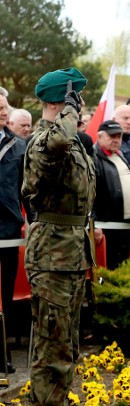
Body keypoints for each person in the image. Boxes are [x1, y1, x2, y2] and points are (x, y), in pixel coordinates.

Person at [23, 68, 99, 406]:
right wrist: (67, 113)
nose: (82, 109)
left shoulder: (69, 143)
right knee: (50, 352)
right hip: (52, 257)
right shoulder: (45, 140)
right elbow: (57, 139)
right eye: (76, 101)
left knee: (66, 348)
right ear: (62, 103)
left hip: (69, 255)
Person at [0, 93, 26, 373]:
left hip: (8, 231)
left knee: (4, 294)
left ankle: (2, 353)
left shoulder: (19, 146)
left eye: (4, 108)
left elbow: (26, 190)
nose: (2, 113)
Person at [92, 120, 130, 269]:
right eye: (112, 136)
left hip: (124, 225)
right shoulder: (93, 158)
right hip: (107, 226)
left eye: (119, 136)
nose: (116, 140)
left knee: (123, 267)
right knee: (109, 267)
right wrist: (94, 223)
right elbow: (89, 194)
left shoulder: (119, 155)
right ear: (99, 137)